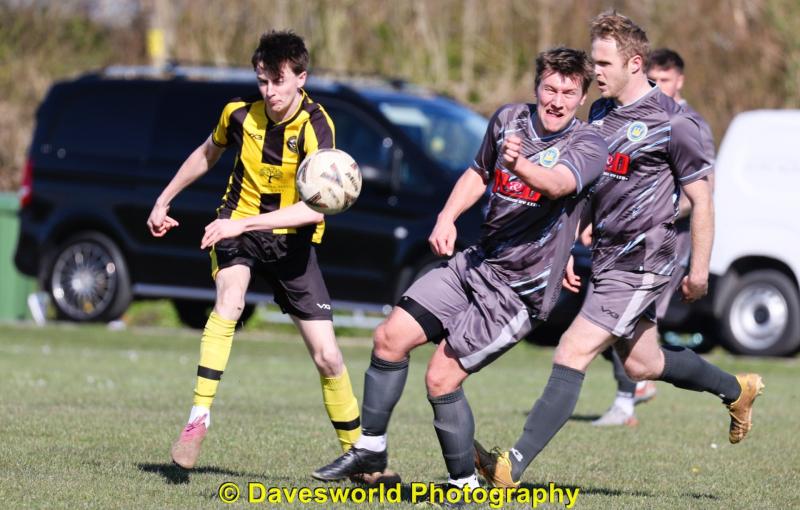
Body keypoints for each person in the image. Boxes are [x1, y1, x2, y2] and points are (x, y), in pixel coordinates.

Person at [475, 12, 764, 488]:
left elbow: (702, 200)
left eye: (603, 62)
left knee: (572, 350)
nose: (595, 70)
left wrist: (699, 270)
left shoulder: (675, 122)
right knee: (642, 363)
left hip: (645, 262)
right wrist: (571, 243)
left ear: (634, 63)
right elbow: (588, 188)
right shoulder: (603, 113)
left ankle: (512, 466)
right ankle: (737, 390)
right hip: (607, 257)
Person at [311, 47, 607, 492]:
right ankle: (370, 447)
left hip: (519, 291)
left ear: (581, 97)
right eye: (550, 88)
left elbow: (559, 183)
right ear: (536, 87)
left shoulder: (588, 144)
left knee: (441, 376)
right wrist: (446, 217)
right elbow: (477, 173)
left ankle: (465, 486)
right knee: (390, 337)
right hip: (478, 262)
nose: (557, 100)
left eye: (569, 92)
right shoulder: (508, 120)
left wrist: (519, 165)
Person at [146, 30, 361, 469]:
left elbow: (313, 212)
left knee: (328, 355)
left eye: (278, 82)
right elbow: (207, 154)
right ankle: (197, 420)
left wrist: (240, 223)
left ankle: (359, 455)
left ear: (301, 77)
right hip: (237, 230)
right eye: (263, 81)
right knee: (230, 299)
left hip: (289, 241)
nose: (269, 91)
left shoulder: (318, 126)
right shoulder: (239, 113)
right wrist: (164, 199)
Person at [591, 47, 717, 427]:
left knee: (621, 321)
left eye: (664, 81)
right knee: (618, 326)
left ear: (679, 81)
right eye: (653, 80)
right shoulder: (621, 112)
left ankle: (627, 398)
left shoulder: (688, 123)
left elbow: (700, 193)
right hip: (616, 239)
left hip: (665, 241)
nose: (657, 87)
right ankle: (643, 384)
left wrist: (653, 209)